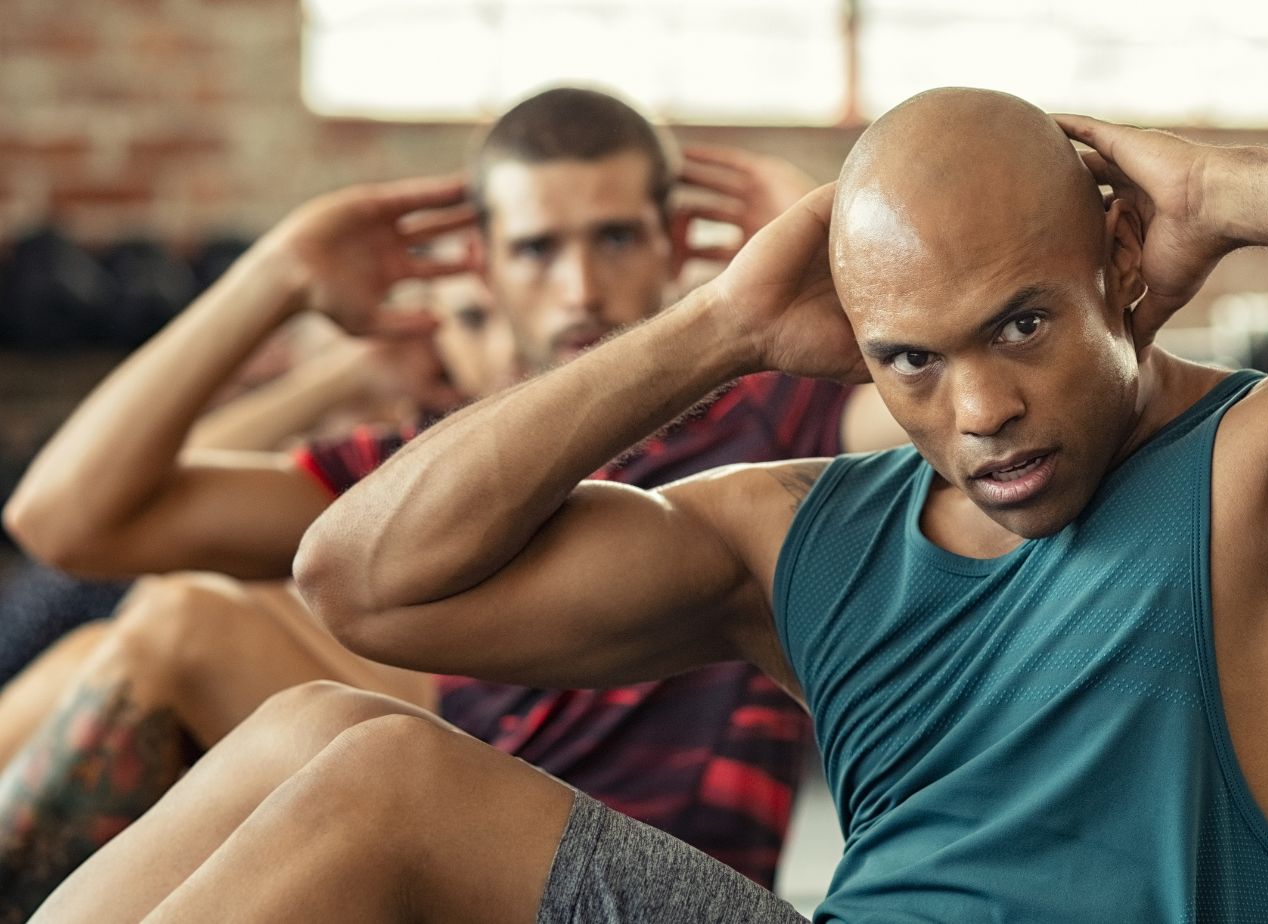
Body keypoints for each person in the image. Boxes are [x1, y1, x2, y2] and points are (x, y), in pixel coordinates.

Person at [37, 85, 1268, 922]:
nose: (981, 409)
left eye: (1022, 325)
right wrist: (718, 326)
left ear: (1122, 272)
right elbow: (361, 579)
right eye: (912, 360)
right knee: (322, 732)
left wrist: (1224, 187)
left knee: (383, 775)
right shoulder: (805, 531)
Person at [1, 88, 903, 916]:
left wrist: (843, 254)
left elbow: (950, 417)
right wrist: (272, 276)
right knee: (199, 631)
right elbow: (65, 520)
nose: (581, 286)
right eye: (538, 248)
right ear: (484, 265)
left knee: (373, 759)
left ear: (674, 245)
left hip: (641, 871)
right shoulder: (435, 475)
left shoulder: (786, 410)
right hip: (441, 842)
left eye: (616, 237)